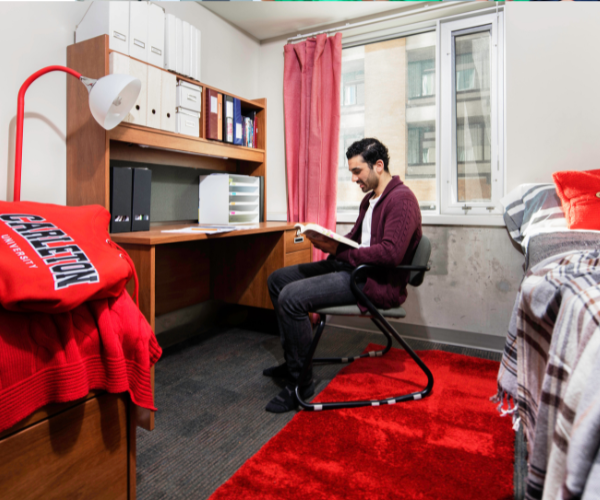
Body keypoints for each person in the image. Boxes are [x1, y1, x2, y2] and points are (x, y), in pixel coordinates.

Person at [264, 138, 423, 413]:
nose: (354, 178)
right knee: (278, 280)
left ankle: (301, 381)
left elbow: (390, 255)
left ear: (379, 165)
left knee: (291, 297)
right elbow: (355, 240)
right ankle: (294, 360)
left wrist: (341, 252)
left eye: (357, 171)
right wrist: (328, 242)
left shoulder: (402, 199)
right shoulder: (371, 200)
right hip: (354, 270)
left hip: (374, 282)